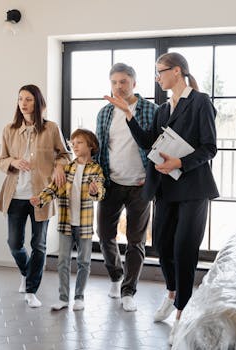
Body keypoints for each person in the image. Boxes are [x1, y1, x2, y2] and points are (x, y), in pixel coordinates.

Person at [104, 52, 219, 343]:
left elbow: (209, 148)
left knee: (183, 250)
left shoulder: (200, 102)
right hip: (166, 189)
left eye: (160, 72)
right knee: (163, 248)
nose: (157, 78)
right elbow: (147, 142)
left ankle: (182, 312)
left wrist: (179, 162)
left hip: (193, 190)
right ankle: (171, 294)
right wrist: (129, 115)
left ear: (177, 71)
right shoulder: (163, 110)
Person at [0, 84, 71, 308]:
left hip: (41, 196)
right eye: (20, 99)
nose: (23, 103)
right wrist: (13, 162)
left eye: (28, 99)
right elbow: (0, 159)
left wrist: (58, 166)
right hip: (16, 195)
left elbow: (65, 154)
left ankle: (31, 290)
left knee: (39, 244)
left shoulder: (51, 128)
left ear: (37, 103)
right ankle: (27, 272)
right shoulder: (9, 129)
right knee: (14, 243)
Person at [94, 63, 157, 312]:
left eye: (123, 82)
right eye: (114, 82)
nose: (118, 87)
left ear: (134, 83)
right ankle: (115, 275)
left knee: (135, 241)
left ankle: (129, 290)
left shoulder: (151, 110)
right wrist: (96, 179)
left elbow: (156, 145)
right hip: (111, 183)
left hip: (140, 186)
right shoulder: (105, 113)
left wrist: (151, 177)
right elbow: (100, 150)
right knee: (105, 234)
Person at [30, 129, 105, 312]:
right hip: (66, 223)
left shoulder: (95, 169)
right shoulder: (67, 168)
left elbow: (100, 190)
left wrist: (95, 190)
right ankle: (63, 298)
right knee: (63, 261)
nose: (75, 146)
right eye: (73, 143)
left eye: (79, 142)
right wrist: (40, 199)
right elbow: (53, 188)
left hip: (85, 225)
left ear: (91, 146)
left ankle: (79, 297)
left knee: (84, 262)